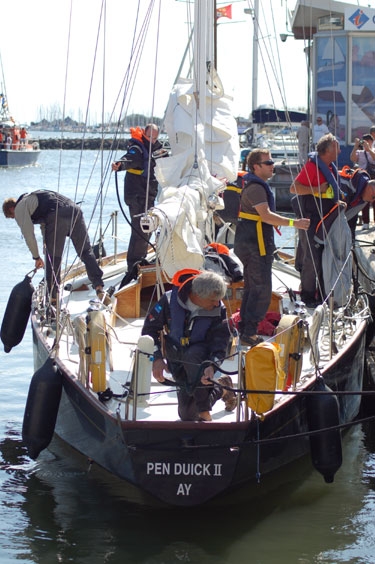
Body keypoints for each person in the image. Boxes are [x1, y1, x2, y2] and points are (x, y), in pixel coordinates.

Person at [233, 149, 310, 347]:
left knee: (252, 288)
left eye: (271, 161)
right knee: (261, 290)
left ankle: (245, 330)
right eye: (268, 162)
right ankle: (249, 333)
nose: (272, 165)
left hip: (250, 242)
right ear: (256, 167)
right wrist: (295, 223)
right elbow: (266, 216)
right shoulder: (256, 188)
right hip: (256, 244)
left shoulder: (254, 184)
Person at [141, 269, 236, 422]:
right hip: (177, 359)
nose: (217, 303)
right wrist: (157, 359)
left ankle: (204, 411)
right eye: (213, 300)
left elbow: (220, 342)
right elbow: (149, 330)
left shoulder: (219, 309)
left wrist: (212, 365)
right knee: (187, 415)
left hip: (201, 360)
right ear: (197, 295)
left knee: (193, 355)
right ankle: (223, 387)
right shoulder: (168, 300)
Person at [2, 190, 109, 304]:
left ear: (11, 209)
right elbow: (44, 225)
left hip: (57, 216)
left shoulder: (20, 208)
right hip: (74, 209)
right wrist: (45, 243)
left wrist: (36, 257)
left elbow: (28, 235)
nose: (16, 218)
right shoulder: (33, 198)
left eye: (13, 217)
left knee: (53, 258)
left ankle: (53, 300)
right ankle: (98, 286)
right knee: (86, 251)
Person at [290, 133, 342, 307]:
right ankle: (307, 295)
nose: (340, 151)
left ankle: (321, 293)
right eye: (337, 147)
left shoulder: (330, 167)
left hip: (325, 219)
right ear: (327, 151)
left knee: (324, 256)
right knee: (311, 258)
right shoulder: (312, 167)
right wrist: (316, 189)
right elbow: (294, 188)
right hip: (311, 219)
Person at [112, 124, 168, 274]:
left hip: (148, 196)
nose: (152, 140)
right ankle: (134, 266)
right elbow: (129, 159)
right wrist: (120, 165)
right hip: (136, 196)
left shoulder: (157, 150)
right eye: (150, 137)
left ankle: (140, 259)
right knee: (140, 230)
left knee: (147, 229)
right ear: (144, 134)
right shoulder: (137, 149)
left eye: (155, 138)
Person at [350, 134, 375, 228]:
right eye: (365, 141)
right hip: (364, 178)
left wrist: (369, 150)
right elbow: (352, 158)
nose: (366, 143)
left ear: (372, 142)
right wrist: (355, 146)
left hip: (373, 177)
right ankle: (366, 222)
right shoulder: (359, 152)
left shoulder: (373, 150)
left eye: (368, 141)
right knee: (364, 199)